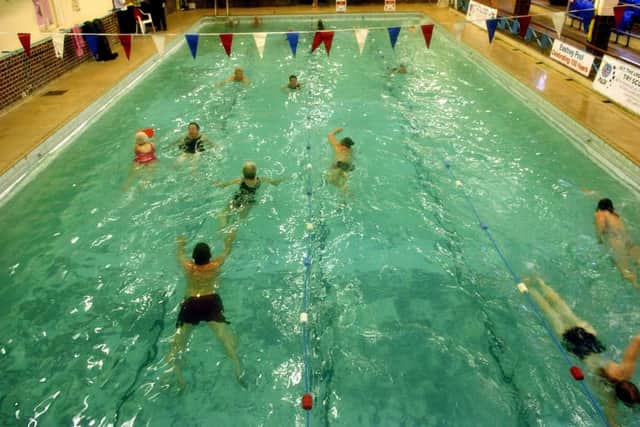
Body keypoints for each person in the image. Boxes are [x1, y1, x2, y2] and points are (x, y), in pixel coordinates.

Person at [524, 275, 639, 423]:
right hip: (580, 351)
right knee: (551, 314)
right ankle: (530, 289)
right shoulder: (610, 396)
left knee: (562, 307)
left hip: (591, 340)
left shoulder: (626, 370)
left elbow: (637, 340)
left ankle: (538, 280)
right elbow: (611, 419)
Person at [165, 232, 243, 389]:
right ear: (209, 256)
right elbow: (226, 252)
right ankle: (237, 368)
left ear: (193, 257)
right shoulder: (215, 265)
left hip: (191, 303)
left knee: (177, 346)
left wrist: (180, 243)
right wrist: (229, 241)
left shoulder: (189, 267)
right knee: (225, 340)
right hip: (210, 301)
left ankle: (179, 380)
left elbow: (179, 254)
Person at [214, 161, 282, 228]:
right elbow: (274, 182)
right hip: (249, 201)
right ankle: (232, 231)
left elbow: (224, 185)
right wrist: (282, 179)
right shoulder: (260, 180)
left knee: (223, 214)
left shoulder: (241, 180)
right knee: (238, 220)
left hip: (238, 198)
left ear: (243, 173)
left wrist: (218, 184)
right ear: (255, 172)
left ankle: (222, 227)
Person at [595, 198, 640, 288]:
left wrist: (599, 239)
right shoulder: (615, 214)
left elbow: (601, 227)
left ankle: (637, 286)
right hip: (627, 238)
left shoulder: (600, 213)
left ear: (599, 207)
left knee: (624, 269)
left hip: (616, 240)